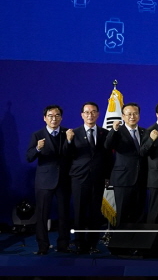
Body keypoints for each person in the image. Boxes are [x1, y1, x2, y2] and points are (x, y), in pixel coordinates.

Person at [26, 105, 71, 254]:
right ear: (45, 118)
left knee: (64, 215)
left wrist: (69, 141)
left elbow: (72, 156)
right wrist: (38, 148)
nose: (54, 118)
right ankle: (42, 246)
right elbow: (29, 157)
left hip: (64, 180)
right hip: (44, 181)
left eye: (57, 115)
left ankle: (63, 245)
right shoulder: (37, 135)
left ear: (61, 117)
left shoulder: (68, 133)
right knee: (42, 215)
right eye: (50, 115)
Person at [66, 102, 111, 254]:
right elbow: (67, 156)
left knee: (95, 213)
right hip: (79, 179)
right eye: (87, 112)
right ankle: (79, 243)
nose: (90, 115)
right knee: (79, 212)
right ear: (82, 115)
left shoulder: (104, 133)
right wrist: (69, 141)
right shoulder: (73, 133)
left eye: (93, 112)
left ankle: (92, 244)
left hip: (98, 179)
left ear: (98, 114)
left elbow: (108, 157)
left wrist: (107, 176)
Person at [104, 102, 147, 227]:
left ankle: (137, 242)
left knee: (139, 214)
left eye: (135, 113)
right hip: (123, 179)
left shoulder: (144, 131)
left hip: (141, 179)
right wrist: (114, 129)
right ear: (123, 116)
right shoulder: (117, 131)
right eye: (129, 114)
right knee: (123, 214)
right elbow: (107, 145)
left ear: (139, 115)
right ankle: (121, 245)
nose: (132, 116)